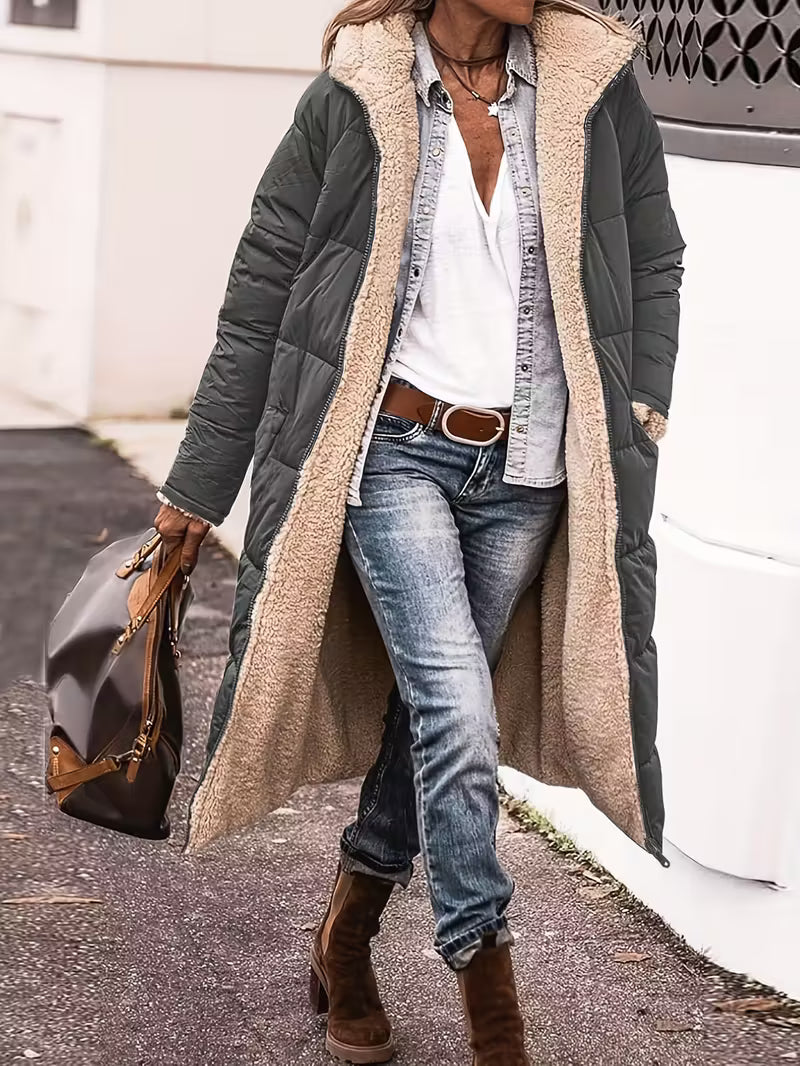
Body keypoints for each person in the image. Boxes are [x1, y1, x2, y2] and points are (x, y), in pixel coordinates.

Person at [154, 0, 685, 1061]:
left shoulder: (592, 87)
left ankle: (347, 933)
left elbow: (656, 255)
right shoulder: (357, 95)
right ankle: (493, 1008)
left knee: (434, 720)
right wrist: (196, 488)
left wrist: (640, 400)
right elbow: (260, 295)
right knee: (456, 707)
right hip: (393, 454)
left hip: (527, 465)